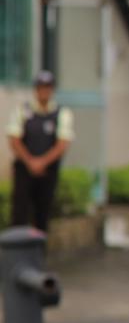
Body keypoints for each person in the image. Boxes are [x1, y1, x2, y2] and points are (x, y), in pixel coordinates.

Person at [5, 70, 74, 232]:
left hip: (48, 171)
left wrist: (42, 162)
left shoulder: (61, 113)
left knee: (42, 213)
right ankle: (17, 254)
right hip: (24, 169)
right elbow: (14, 139)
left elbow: (62, 143)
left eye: (47, 87)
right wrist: (30, 161)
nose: (44, 91)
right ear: (36, 89)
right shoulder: (23, 110)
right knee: (19, 213)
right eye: (41, 87)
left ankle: (38, 253)